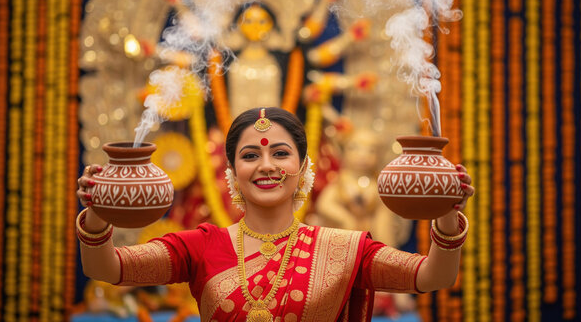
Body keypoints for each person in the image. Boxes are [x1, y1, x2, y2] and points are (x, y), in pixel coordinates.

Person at [76, 107, 474, 321]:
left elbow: (433, 275)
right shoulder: (201, 245)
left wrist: (446, 217)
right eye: (250, 155)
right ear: (232, 171)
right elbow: (107, 269)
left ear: (303, 167)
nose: (266, 165)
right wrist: (96, 215)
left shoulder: (343, 247)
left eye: (280, 153)